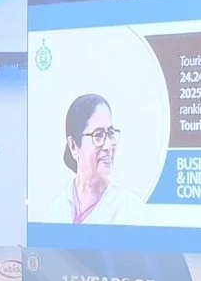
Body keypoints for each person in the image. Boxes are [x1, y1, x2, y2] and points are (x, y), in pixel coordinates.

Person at [44, 94, 143, 224]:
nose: (108, 146)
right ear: (73, 146)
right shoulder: (57, 210)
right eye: (98, 135)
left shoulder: (130, 210)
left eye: (110, 133)